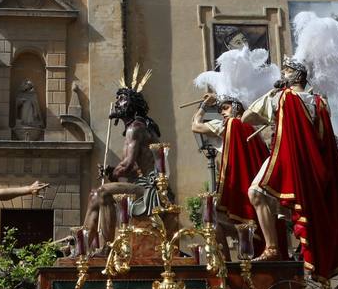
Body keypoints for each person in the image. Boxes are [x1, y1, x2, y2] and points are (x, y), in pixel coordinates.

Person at [249, 57, 338, 289]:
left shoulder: (281, 98)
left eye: (286, 71)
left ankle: (272, 247)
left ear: (296, 75)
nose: (283, 74)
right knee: (323, 217)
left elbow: (247, 116)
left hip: (290, 161)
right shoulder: (320, 102)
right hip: (317, 168)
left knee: (256, 193)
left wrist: (272, 92)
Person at [78, 76, 178, 253]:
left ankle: (107, 248)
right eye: (117, 99)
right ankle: (83, 248)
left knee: (101, 192)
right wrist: (112, 171)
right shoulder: (139, 127)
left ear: (133, 104)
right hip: (143, 184)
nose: (117, 103)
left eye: (122, 99)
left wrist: (113, 172)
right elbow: (133, 170)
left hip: (151, 189)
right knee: (95, 194)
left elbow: (127, 166)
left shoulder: (135, 128)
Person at [190, 94, 272, 256]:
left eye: (225, 108)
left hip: (242, 194)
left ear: (237, 107)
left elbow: (195, 126)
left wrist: (204, 105)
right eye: (220, 110)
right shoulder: (254, 129)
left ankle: (225, 266)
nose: (222, 113)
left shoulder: (231, 124)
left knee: (211, 219)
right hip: (258, 193)